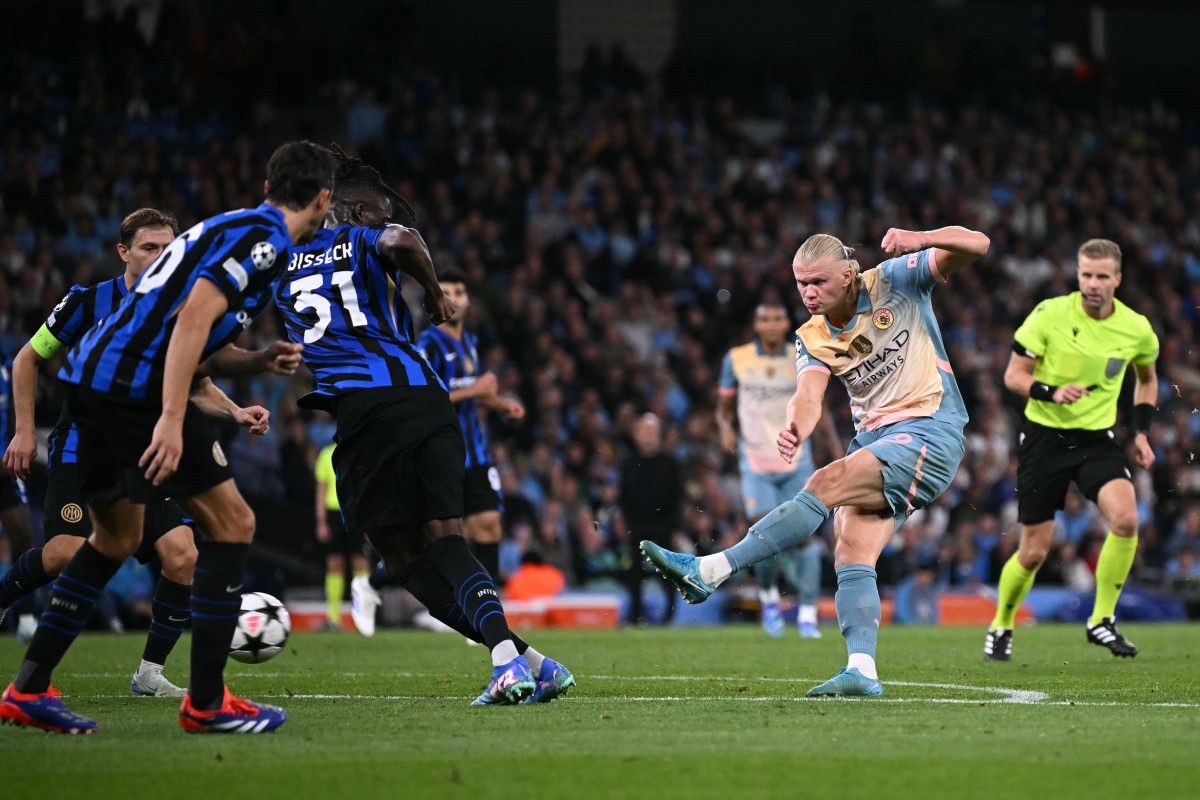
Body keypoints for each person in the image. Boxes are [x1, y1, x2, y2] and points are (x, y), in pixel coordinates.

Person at [0, 141, 335, 734]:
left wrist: (259, 360)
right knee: (234, 524)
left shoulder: (232, 227)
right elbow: (190, 322)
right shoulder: (267, 242)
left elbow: (199, 339)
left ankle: (26, 690)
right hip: (133, 391)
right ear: (324, 198)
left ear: (267, 186)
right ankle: (206, 703)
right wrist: (172, 418)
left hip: (94, 383)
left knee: (114, 537)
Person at [275, 144, 573, 706]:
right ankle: (526, 661)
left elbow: (397, 237)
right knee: (445, 537)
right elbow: (403, 239)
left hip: (366, 410)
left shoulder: (284, 259)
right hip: (426, 397)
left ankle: (511, 662)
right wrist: (431, 292)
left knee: (403, 558)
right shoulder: (361, 236)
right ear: (357, 209)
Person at [643, 226, 990, 696]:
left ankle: (711, 569)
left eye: (819, 282)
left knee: (826, 482)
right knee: (851, 548)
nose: (809, 292)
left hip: (930, 430)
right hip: (874, 441)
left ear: (849, 274)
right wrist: (796, 427)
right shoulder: (812, 335)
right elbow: (807, 395)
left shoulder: (896, 280)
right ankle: (862, 670)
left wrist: (920, 239)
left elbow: (979, 244)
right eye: (801, 283)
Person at [984, 239, 1158, 661]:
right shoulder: (1049, 314)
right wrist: (1051, 391)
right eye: (1086, 275)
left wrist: (1139, 432)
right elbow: (1013, 375)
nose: (1092, 284)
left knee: (1126, 519)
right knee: (1034, 551)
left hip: (1097, 439)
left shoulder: (1136, 329)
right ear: (1077, 275)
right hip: (1046, 436)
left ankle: (1101, 619)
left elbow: (1148, 379)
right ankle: (1002, 623)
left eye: (1101, 276)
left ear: (1118, 278)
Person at [718, 301, 840, 638]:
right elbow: (723, 408)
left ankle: (806, 615)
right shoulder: (737, 360)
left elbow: (819, 407)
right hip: (757, 464)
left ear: (787, 322)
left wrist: (833, 449)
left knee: (806, 539)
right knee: (764, 534)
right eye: (764, 318)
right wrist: (725, 428)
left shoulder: (803, 355)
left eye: (777, 318)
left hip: (797, 463)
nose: (771, 324)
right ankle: (770, 601)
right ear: (756, 325)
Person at [416, 266, 525, 581]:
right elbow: (425, 398)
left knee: (489, 523)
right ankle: (384, 583)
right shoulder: (428, 345)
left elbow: (470, 390)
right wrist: (476, 390)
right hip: (441, 453)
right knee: (443, 534)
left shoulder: (470, 343)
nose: (454, 299)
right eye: (446, 292)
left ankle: (487, 605)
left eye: (460, 292)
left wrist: (501, 404)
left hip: (474, 450)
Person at [620, 413, 683, 625]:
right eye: (643, 431)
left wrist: (672, 525)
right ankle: (635, 615)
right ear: (636, 435)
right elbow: (624, 495)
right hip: (636, 526)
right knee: (635, 573)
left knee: (668, 572)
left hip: (662, 525)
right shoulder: (628, 463)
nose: (647, 437)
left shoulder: (670, 463)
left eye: (651, 432)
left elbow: (677, 496)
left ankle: (669, 616)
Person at [314, 440, 368, 630]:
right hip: (334, 514)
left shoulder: (359, 452)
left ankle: (363, 616)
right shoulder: (326, 454)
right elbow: (322, 489)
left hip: (355, 512)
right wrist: (321, 521)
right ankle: (334, 618)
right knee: (334, 564)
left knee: (359, 563)